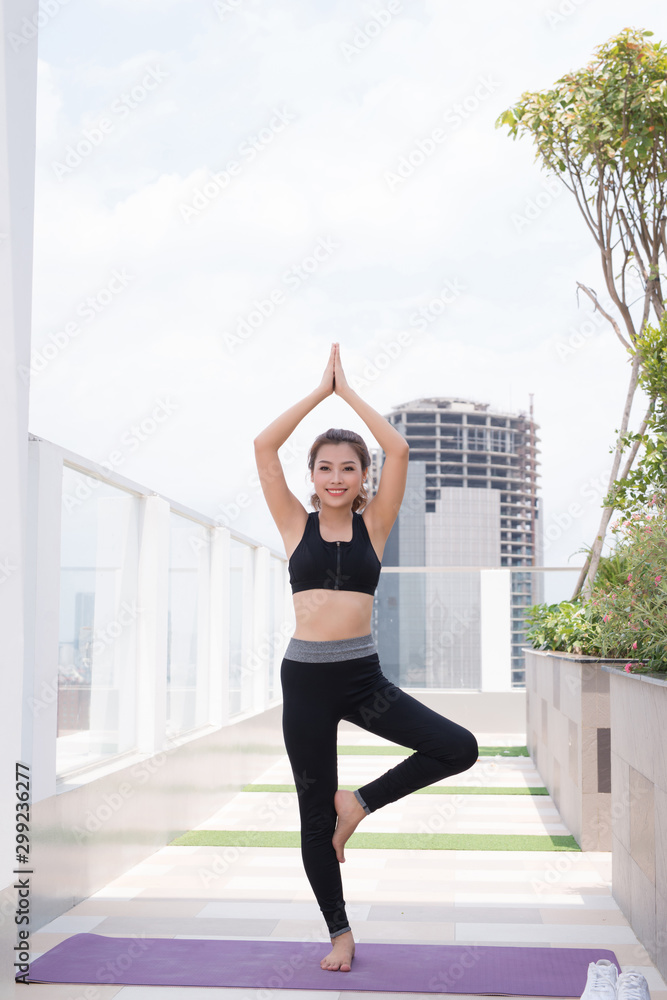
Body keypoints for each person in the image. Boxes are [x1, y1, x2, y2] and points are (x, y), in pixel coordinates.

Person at [253, 342, 479, 972]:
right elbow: (263, 447)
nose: (334, 478)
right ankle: (340, 932)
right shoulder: (293, 523)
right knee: (309, 812)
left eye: (347, 468)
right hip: (305, 681)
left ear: (362, 478)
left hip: (362, 678)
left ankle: (359, 804)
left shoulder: (374, 525)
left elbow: (399, 450)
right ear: (312, 477)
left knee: (457, 747)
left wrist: (348, 392)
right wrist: (316, 393)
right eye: (324, 468)